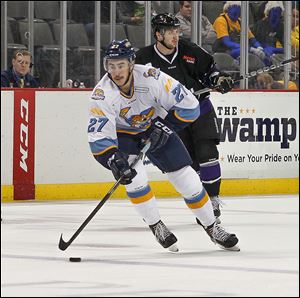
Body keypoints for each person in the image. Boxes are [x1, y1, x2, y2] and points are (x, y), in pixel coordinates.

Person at [88, 39, 239, 252]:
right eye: (111, 66)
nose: (116, 71)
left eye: (120, 65)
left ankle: (213, 227)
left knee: (189, 180)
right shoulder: (102, 94)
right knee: (135, 178)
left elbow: (190, 106)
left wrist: (166, 126)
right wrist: (113, 159)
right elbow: (99, 138)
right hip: (123, 136)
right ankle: (156, 225)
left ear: (131, 63)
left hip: (155, 125)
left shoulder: (153, 78)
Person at [135, 13, 234, 223]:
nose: (175, 36)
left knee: (208, 153)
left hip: (200, 109)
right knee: (191, 163)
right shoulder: (143, 59)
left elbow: (210, 72)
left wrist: (220, 80)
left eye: (177, 31)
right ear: (158, 34)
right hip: (173, 118)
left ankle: (213, 201)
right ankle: (204, 203)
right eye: (170, 31)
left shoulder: (190, 50)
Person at [252, 1, 284, 65]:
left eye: (278, 12)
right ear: (268, 13)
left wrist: (275, 50)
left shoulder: (280, 26)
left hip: (274, 53)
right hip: (259, 52)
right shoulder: (260, 25)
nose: (276, 14)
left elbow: (287, 46)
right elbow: (257, 44)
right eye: (274, 11)